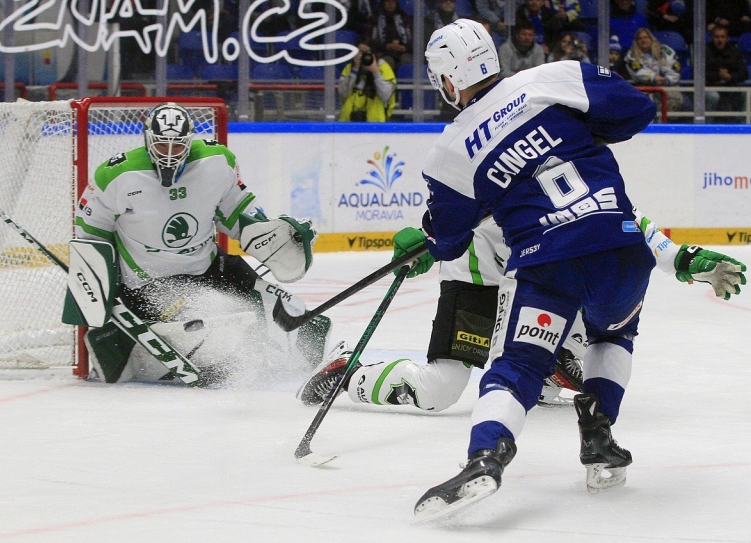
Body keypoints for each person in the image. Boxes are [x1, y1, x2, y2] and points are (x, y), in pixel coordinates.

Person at [406, 18, 743, 521]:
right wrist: (575, 132)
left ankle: (487, 456)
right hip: (620, 247)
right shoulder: (553, 77)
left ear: (447, 80)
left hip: (547, 263)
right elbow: (636, 109)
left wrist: (427, 238)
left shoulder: (448, 151)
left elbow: (450, 238)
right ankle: (599, 437)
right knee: (613, 338)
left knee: (519, 365)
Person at [296, 210, 746, 414]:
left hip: (526, 274)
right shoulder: (494, 151)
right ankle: (345, 370)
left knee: (552, 339)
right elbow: (453, 208)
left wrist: (684, 259)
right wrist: (431, 244)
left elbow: (624, 221)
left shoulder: (565, 160)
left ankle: (552, 367)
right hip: (474, 274)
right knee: (439, 391)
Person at [74, 102, 334, 384]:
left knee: (286, 307)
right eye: (162, 146)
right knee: (219, 319)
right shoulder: (115, 176)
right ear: (148, 140)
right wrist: (107, 295)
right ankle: (160, 360)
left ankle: (313, 365)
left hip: (210, 266)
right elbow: (91, 238)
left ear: (190, 141)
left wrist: (266, 234)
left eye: (178, 146)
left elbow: (236, 212)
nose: (170, 155)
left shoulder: (217, 162)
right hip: (151, 283)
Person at [625, 27, 686, 111]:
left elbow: (674, 67)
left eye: (646, 37)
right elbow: (638, 72)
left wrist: (667, 79)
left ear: (651, 38)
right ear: (636, 41)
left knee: (684, 104)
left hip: (667, 85)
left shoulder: (665, 50)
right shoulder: (631, 55)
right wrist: (653, 77)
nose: (643, 41)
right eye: (640, 39)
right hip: (645, 88)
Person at [337, 38, 397, 122]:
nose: (364, 56)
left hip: (375, 124)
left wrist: (375, 72)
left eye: (367, 53)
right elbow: (343, 93)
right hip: (348, 123)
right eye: (360, 52)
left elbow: (385, 96)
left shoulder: (384, 69)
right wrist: (354, 70)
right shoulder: (349, 68)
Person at [705, 24, 748, 123]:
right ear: (711, 38)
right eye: (716, 37)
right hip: (709, 86)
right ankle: (707, 125)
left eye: (722, 37)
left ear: (727, 38)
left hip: (730, 85)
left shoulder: (734, 51)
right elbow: (697, 74)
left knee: (744, 94)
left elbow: (744, 73)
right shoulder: (705, 51)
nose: (719, 40)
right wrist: (718, 76)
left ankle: (742, 124)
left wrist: (730, 77)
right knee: (713, 96)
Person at [367, 0, 413, 71]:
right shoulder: (375, 19)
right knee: (387, 62)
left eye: (393, 2)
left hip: (404, 52)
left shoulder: (405, 18)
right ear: (383, 3)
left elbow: (416, 39)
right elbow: (370, 40)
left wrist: (405, 47)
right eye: (388, 1)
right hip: (383, 52)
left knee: (407, 61)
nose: (390, 4)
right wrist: (387, 46)